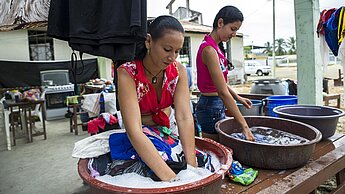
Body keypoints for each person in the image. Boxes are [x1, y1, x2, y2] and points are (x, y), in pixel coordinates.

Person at [117, 15, 197, 182]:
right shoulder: (128, 74)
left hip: (168, 127)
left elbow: (184, 117)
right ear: (149, 41)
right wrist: (172, 180)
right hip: (140, 133)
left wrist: (192, 169)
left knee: (185, 161)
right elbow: (134, 130)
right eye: (167, 49)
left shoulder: (178, 71)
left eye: (177, 51)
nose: (172, 57)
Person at [195, 6, 255, 142]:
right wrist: (244, 126)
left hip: (215, 104)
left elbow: (221, 84)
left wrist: (238, 97)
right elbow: (222, 92)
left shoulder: (217, 49)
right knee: (215, 150)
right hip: (209, 106)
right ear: (220, 23)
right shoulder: (209, 50)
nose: (234, 34)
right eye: (233, 29)